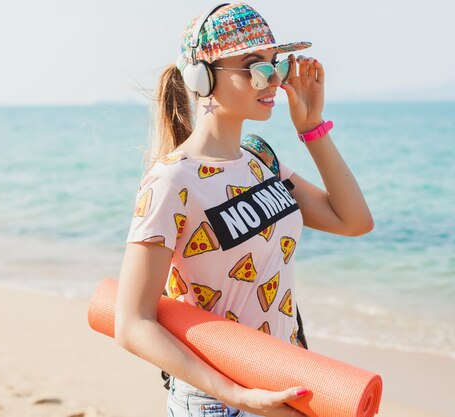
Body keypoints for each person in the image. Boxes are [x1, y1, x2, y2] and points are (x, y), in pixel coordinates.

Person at [114, 3, 373, 417]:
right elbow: (131, 323)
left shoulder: (260, 158)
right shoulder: (171, 182)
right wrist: (236, 395)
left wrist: (311, 128)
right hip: (219, 402)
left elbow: (354, 221)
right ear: (202, 77)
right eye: (255, 66)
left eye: (277, 65)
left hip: (283, 380)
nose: (273, 80)